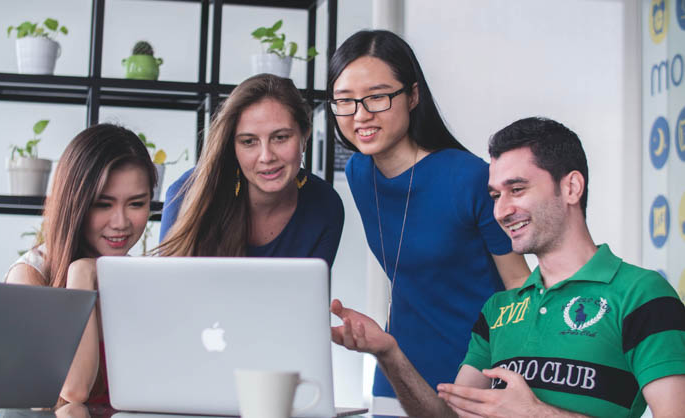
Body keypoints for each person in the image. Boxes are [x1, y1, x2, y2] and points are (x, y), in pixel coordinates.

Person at [331, 117, 685, 417]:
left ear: (572, 187)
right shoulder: (499, 309)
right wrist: (389, 352)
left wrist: (537, 413)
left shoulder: (642, 294)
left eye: (517, 189)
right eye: (496, 196)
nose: (501, 211)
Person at [327, 29, 530, 410]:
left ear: (413, 95)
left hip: (477, 374)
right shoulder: (359, 172)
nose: (361, 114)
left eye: (378, 97)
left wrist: (513, 376)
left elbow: (518, 284)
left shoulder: (468, 177)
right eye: (345, 101)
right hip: (398, 370)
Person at [5, 124, 157, 404]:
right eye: (103, 204)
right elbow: (73, 390)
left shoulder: (136, 277)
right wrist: (81, 275)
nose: (121, 223)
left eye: (136, 204)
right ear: (75, 203)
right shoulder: (29, 275)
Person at [158, 74, 344, 266]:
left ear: (304, 136)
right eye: (249, 141)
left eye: (280, 137)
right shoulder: (188, 193)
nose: (266, 156)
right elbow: (167, 289)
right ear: (233, 147)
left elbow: (310, 294)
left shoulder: (325, 205)